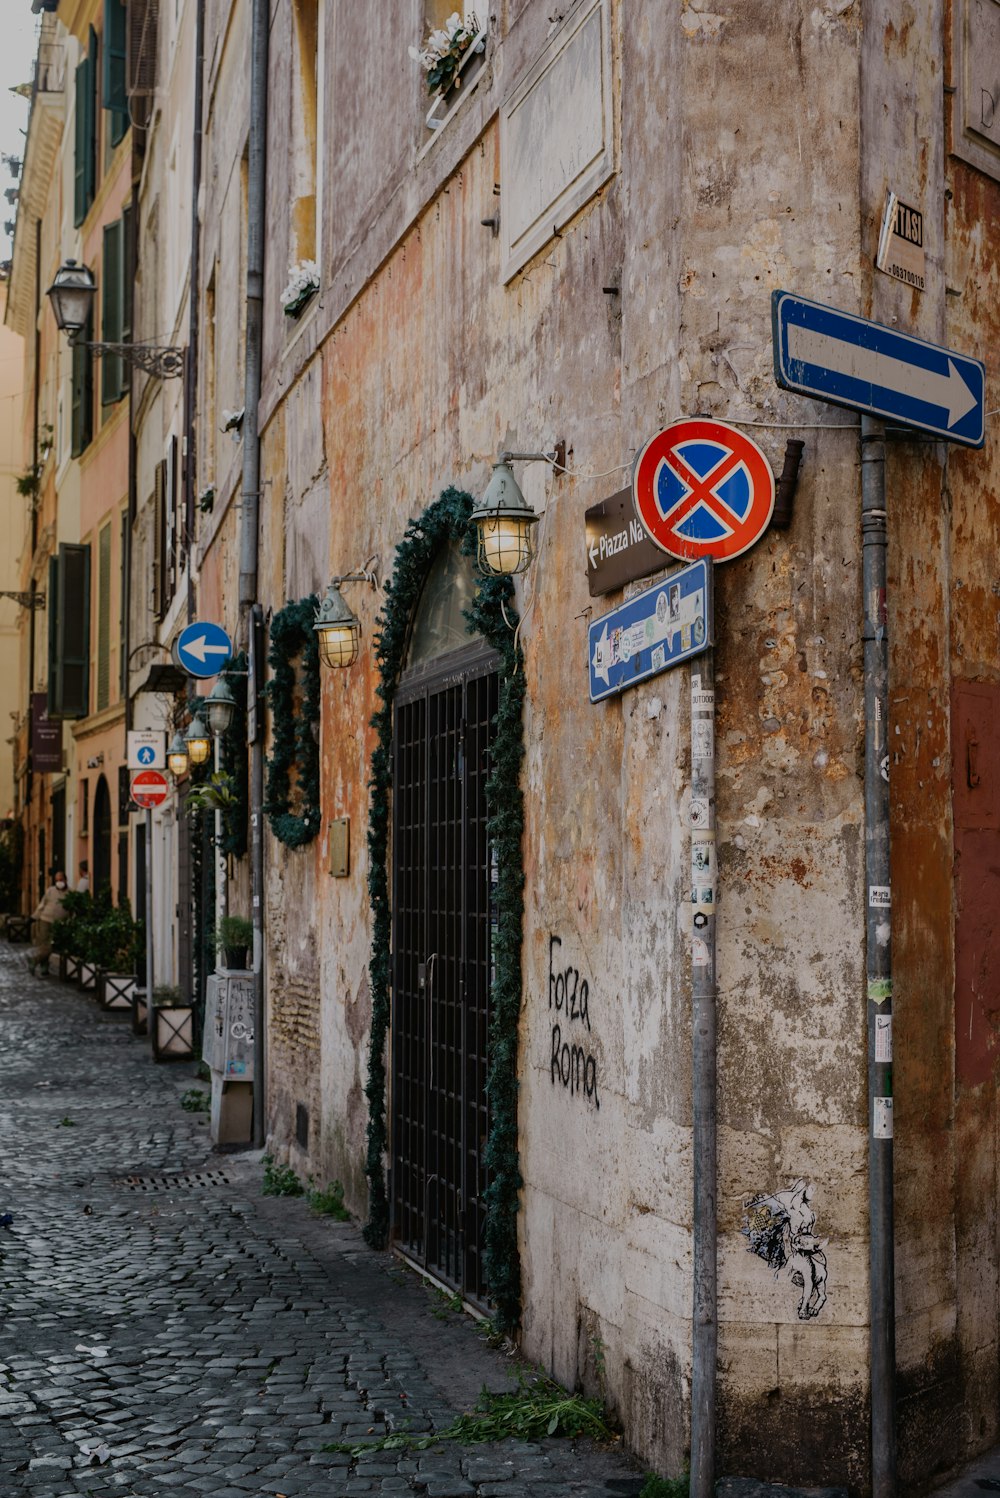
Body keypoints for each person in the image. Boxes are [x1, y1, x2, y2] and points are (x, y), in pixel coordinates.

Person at [30, 871, 68, 977]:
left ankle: (34, 960)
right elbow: (42, 904)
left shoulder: (70, 893)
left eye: (61, 880)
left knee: (52, 945)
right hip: (45, 919)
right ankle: (44, 968)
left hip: (59, 923)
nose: (59, 882)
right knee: (44, 944)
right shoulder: (50, 891)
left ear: (65, 880)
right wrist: (34, 917)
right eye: (56, 880)